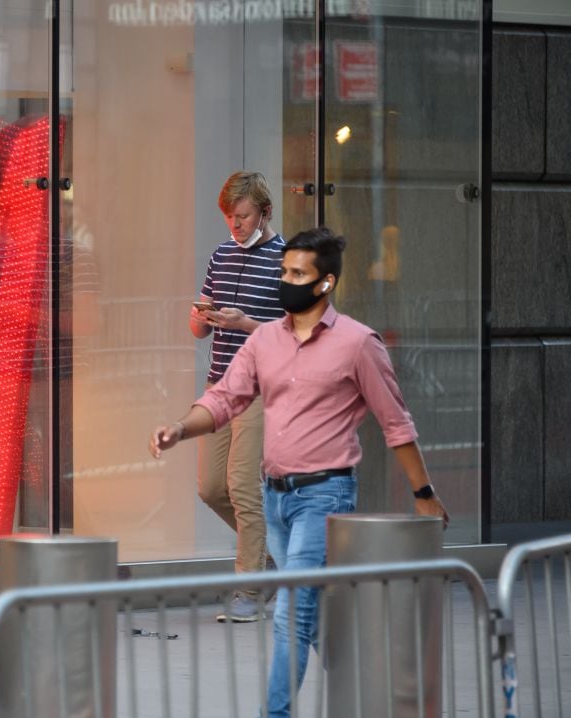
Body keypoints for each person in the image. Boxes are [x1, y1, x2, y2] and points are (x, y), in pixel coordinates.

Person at [150, 227, 450, 718]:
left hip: (325, 496)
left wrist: (423, 492)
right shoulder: (266, 339)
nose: (284, 280)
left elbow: (396, 424)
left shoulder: (358, 343)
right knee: (317, 613)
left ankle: (277, 713)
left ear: (325, 282)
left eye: (296, 273)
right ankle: (375, 696)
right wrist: (181, 429)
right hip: (275, 500)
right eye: (283, 270)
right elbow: (225, 398)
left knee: (291, 613)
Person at [190, 170, 286, 622]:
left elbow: (297, 335)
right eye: (229, 216)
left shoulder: (287, 260)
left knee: (244, 487)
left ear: (264, 212)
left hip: (259, 388)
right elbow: (196, 329)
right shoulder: (221, 255)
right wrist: (200, 315)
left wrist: (246, 323)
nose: (235, 224)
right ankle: (268, 562)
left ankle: (250, 589)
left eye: (243, 216)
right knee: (210, 487)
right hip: (219, 386)